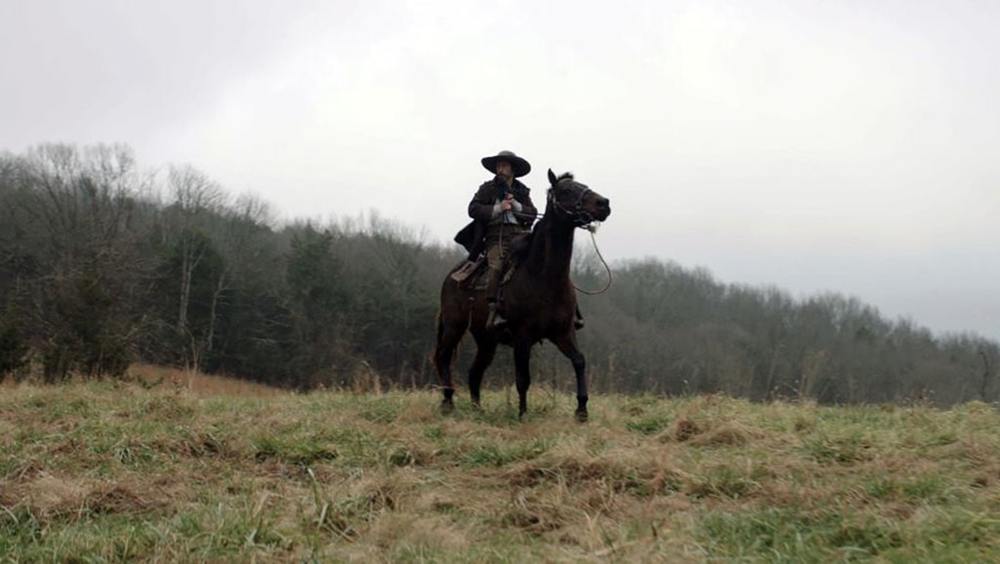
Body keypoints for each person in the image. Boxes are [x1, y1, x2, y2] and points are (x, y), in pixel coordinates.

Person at [454, 150, 537, 328]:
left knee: (545, 260)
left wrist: (516, 205)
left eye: (504, 165)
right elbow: (473, 209)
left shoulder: (521, 191)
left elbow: (532, 213)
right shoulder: (487, 188)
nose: (500, 169)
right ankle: (495, 309)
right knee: (496, 265)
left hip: (521, 235)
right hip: (495, 235)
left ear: (512, 169)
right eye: (498, 165)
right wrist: (499, 208)